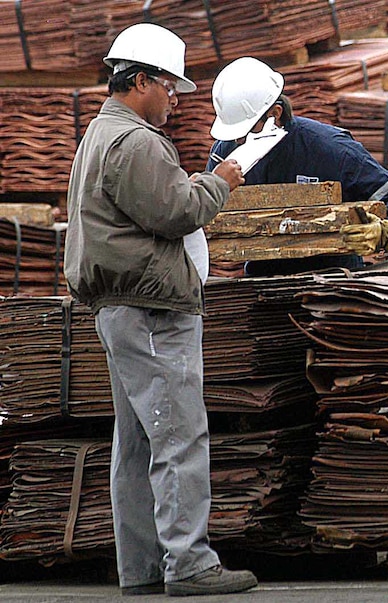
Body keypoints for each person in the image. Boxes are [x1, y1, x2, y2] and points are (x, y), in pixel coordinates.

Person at [63, 23, 258, 597]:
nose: (176, 97)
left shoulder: (99, 135)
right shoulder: (138, 142)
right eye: (170, 86)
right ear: (139, 80)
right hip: (151, 311)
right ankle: (190, 563)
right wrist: (217, 183)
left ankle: (143, 568)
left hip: (123, 308)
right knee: (178, 433)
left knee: (139, 441)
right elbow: (176, 211)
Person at [206, 56, 388, 276]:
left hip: (334, 281)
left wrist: (385, 230)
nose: (238, 141)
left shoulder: (329, 148)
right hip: (262, 280)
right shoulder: (226, 153)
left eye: (245, 131)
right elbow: (204, 213)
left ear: (276, 114)